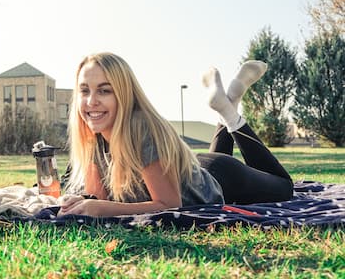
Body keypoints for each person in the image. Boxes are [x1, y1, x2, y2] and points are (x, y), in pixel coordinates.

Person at [59, 52, 293, 218]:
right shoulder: (93, 137)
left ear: (124, 93)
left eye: (104, 90)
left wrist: (100, 209)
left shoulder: (141, 129)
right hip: (194, 172)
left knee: (285, 187)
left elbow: (168, 204)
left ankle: (230, 114)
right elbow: (102, 200)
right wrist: (84, 203)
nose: (91, 101)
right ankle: (228, 102)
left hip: (225, 178)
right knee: (203, 184)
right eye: (84, 90)